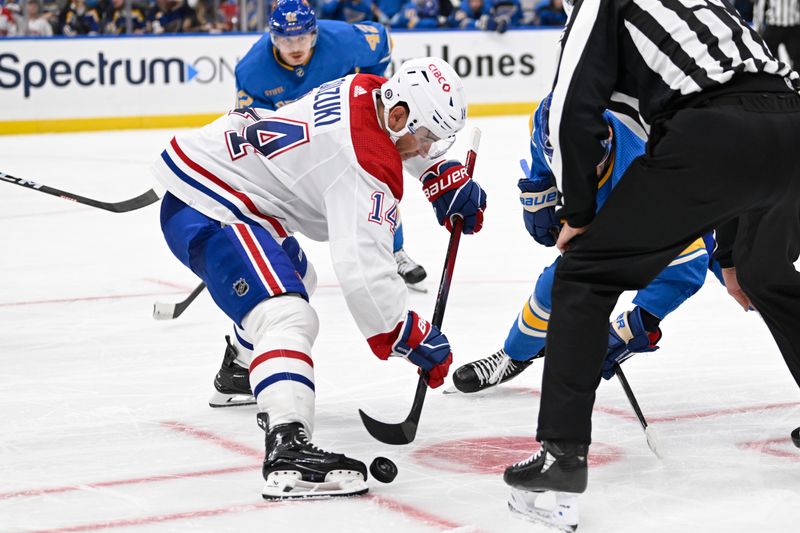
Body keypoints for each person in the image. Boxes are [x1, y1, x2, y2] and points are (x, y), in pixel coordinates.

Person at [503, 0, 800, 528]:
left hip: (713, 135)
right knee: (767, 274)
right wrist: (731, 257)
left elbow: (573, 106)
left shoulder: (597, 5)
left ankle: (562, 457)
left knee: (583, 278)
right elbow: (752, 114)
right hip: (792, 129)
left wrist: (579, 211)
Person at [152, 57, 486, 498]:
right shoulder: (364, 167)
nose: (426, 150)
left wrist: (438, 175)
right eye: (427, 140)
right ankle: (288, 447)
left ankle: (239, 371)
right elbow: (363, 274)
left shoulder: (367, 89)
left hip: (229, 182)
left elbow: (385, 135)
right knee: (287, 315)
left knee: (299, 278)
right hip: (215, 205)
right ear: (403, 115)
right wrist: (407, 334)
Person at [211, 0, 430, 409]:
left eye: (304, 37)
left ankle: (395, 252)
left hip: (354, 118)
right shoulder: (251, 70)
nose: (295, 47)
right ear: (271, 37)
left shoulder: (349, 40)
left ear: (316, 32)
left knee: (374, 183)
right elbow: (248, 124)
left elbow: (384, 52)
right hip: (301, 142)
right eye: (285, 38)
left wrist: (378, 100)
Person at [452, 94, 719, 394]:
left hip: (707, 207)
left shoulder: (647, 160)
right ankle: (515, 354)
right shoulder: (546, 122)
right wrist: (539, 198)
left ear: (607, 139)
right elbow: (543, 164)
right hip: (621, 214)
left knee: (759, 281)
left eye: (581, 165)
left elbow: (691, 259)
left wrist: (633, 327)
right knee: (560, 281)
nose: (574, 176)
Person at [754, 0, 800, 68]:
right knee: (766, 55)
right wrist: (758, 25)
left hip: (793, 25)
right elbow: (760, 4)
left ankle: (797, 77)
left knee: (797, 57)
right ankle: (771, 76)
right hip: (774, 24)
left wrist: (759, 25)